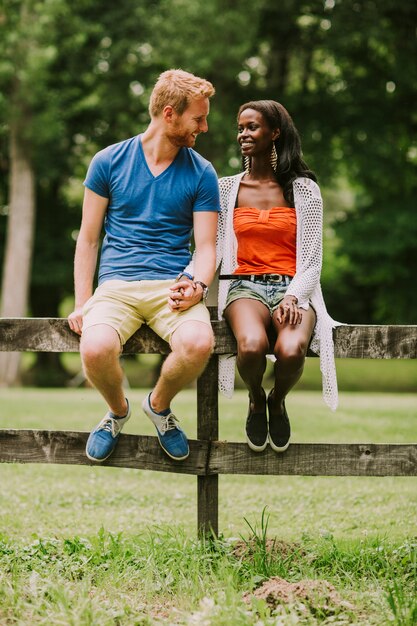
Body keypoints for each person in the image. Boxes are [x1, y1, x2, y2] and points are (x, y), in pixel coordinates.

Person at [68, 69, 220, 463]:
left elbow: (206, 248)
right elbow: (87, 238)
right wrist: (83, 302)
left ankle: (158, 405)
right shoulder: (107, 161)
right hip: (116, 285)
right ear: (169, 114)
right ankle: (118, 412)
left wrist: (198, 285)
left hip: (172, 286)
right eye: (197, 118)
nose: (204, 127)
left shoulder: (202, 172)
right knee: (96, 348)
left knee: (199, 343)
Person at [215, 100, 339, 453]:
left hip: (294, 289)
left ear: (274, 133)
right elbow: (213, 249)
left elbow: (313, 260)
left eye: (252, 127)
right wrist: (190, 279)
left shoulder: (304, 191)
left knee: (291, 348)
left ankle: (277, 399)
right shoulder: (227, 189)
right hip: (244, 288)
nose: (243, 134)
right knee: (252, 345)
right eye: (240, 128)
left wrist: (293, 297)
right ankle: (255, 398)